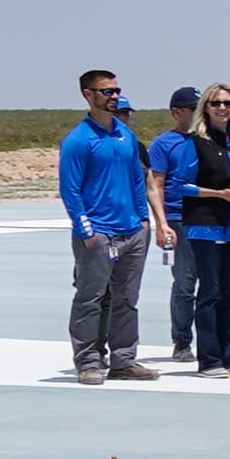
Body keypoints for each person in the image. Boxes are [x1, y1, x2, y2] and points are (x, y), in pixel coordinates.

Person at [58, 68, 164, 385]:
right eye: (107, 91)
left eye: (116, 91)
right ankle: (89, 362)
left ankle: (123, 360)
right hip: (98, 234)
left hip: (132, 230)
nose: (114, 96)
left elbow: (137, 178)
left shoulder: (125, 135)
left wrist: (143, 221)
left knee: (127, 299)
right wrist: (85, 229)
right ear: (88, 95)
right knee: (90, 299)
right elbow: (70, 189)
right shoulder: (79, 140)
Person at [152, 84, 230, 374]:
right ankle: (208, 358)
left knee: (228, 292)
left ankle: (228, 353)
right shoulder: (194, 143)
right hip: (205, 225)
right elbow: (181, 185)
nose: (222, 108)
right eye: (216, 103)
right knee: (209, 290)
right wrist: (218, 194)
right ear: (206, 108)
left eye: (228, 103)